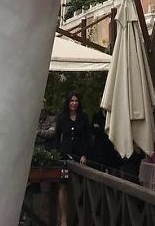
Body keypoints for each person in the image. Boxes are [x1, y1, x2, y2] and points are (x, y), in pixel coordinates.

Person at [52, 92, 91, 226]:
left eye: (76, 101)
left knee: (78, 186)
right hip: (64, 156)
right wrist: (55, 155)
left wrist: (84, 155)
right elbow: (57, 138)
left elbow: (87, 138)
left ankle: (77, 217)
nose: (74, 103)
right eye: (72, 101)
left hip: (79, 156)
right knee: (63, 185)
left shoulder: (83, 118)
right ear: (68, 103)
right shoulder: (62, 118)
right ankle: (63, 219)